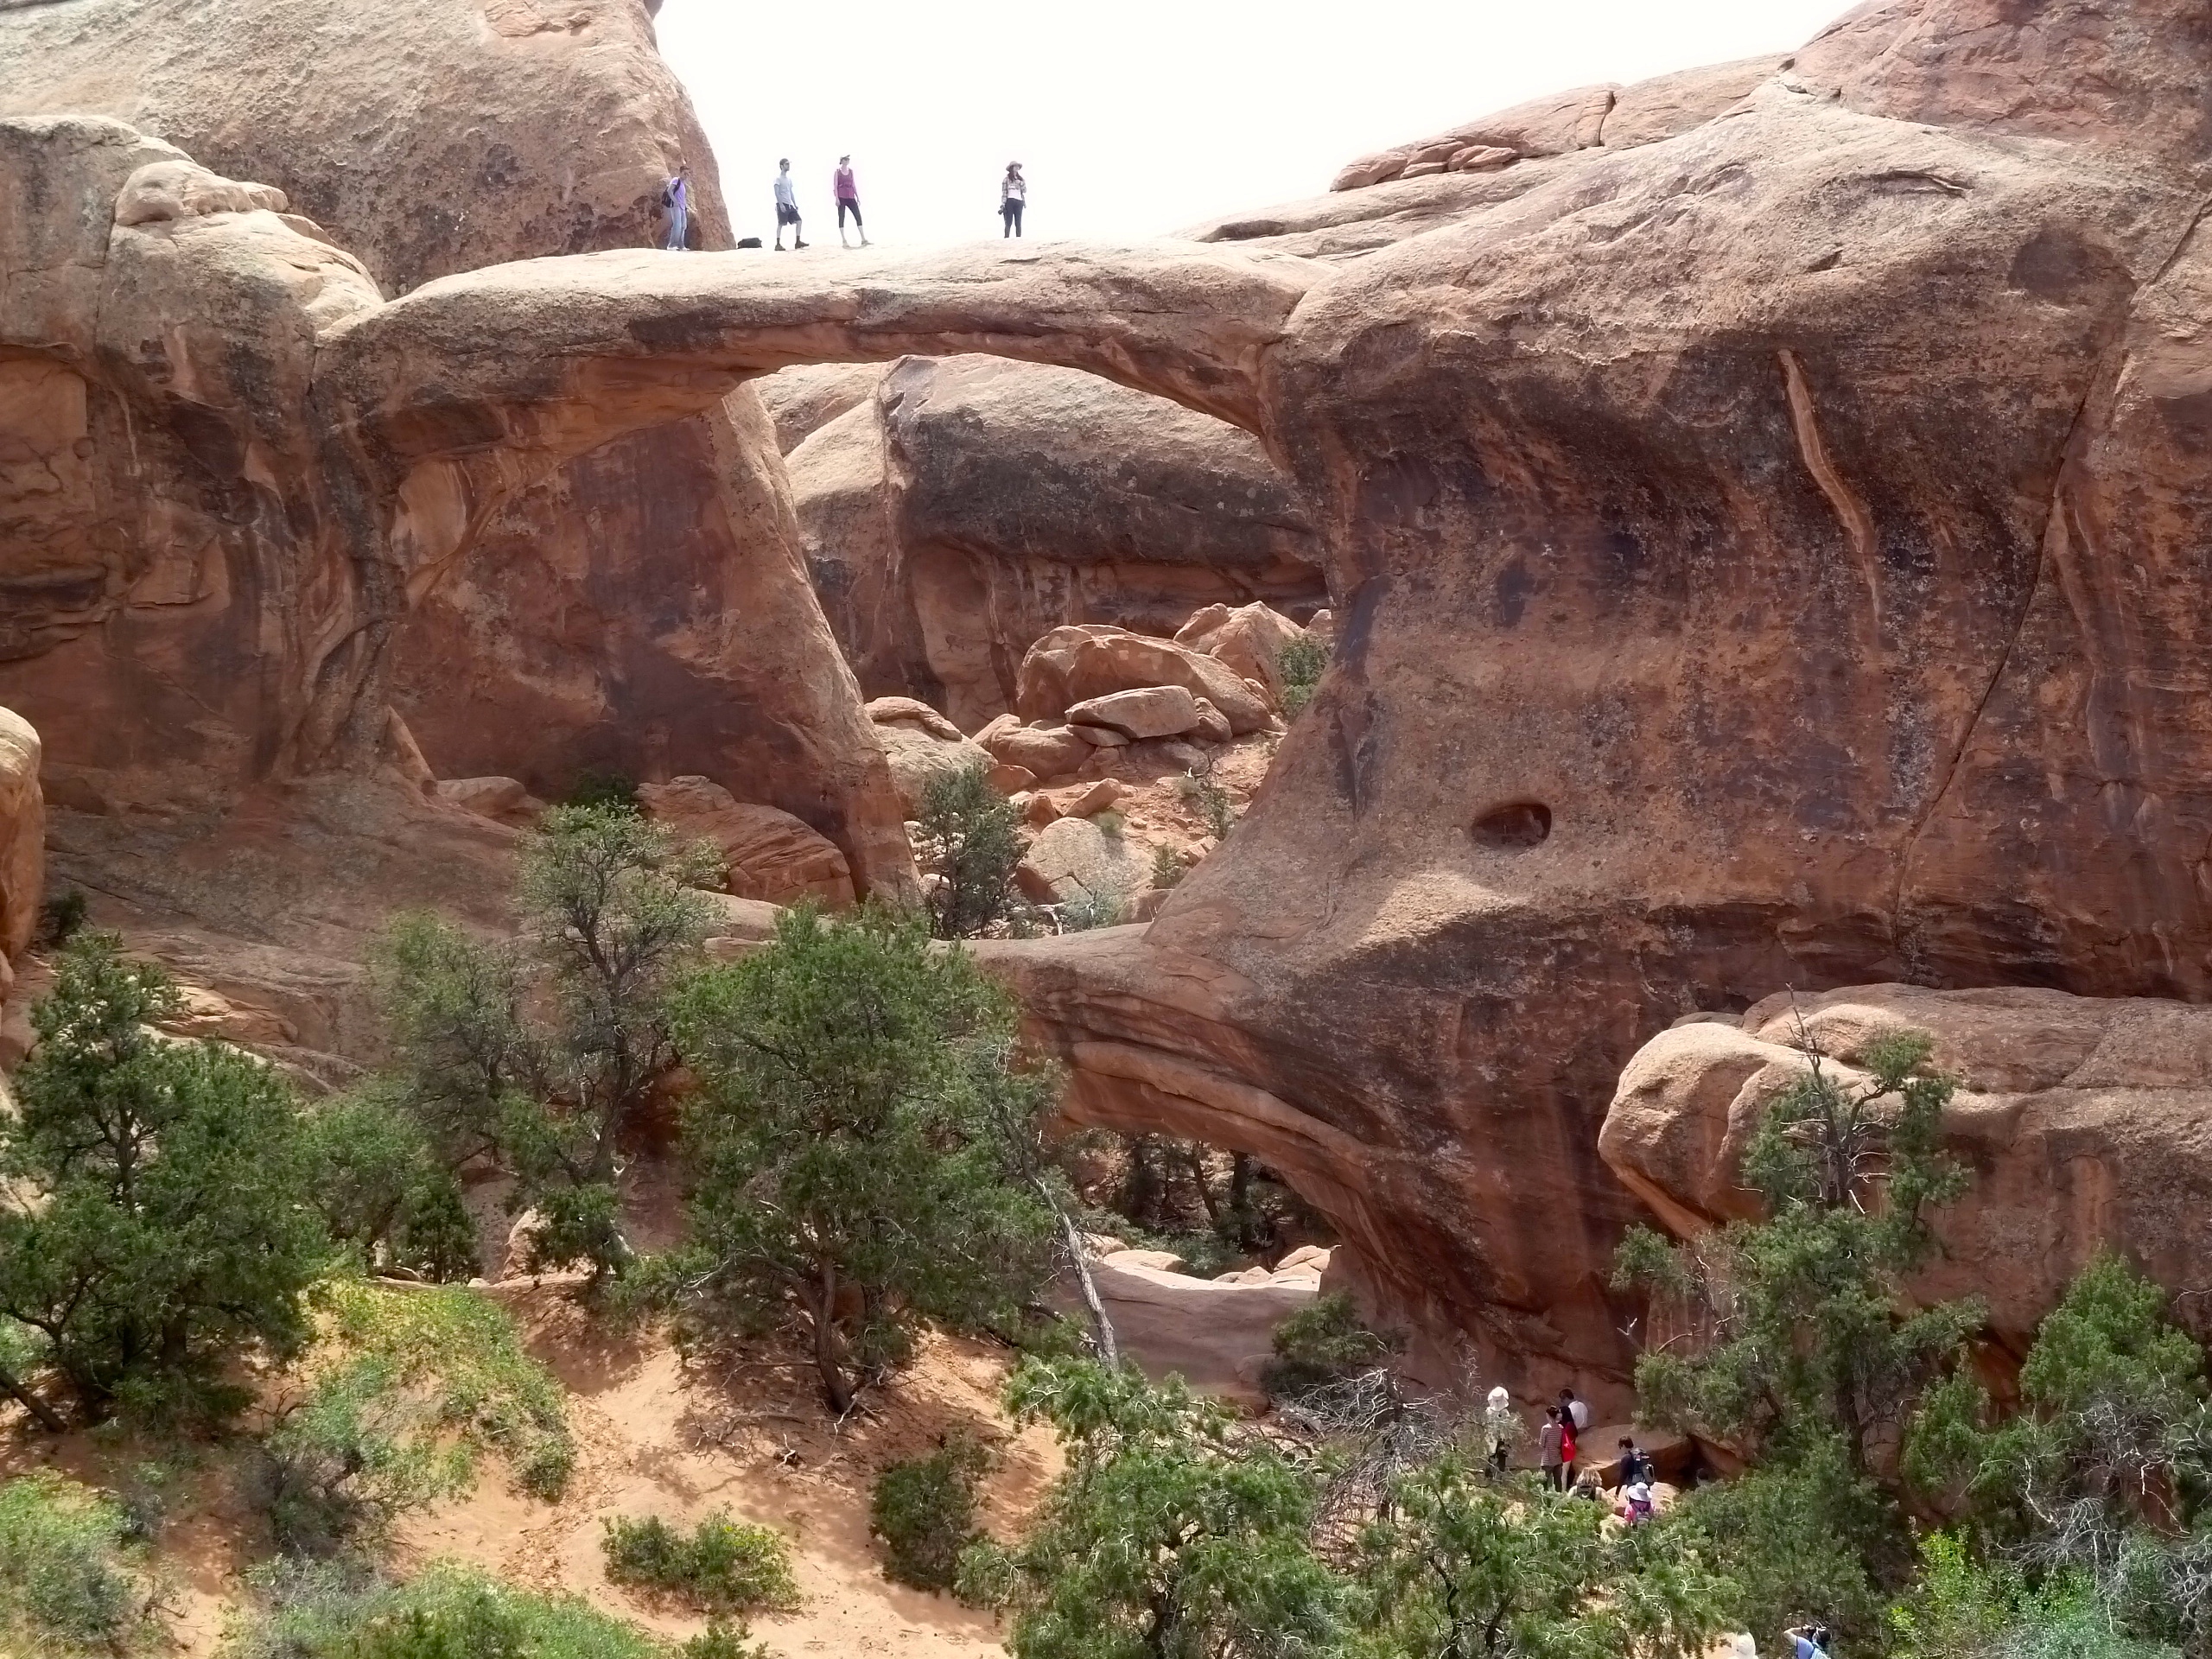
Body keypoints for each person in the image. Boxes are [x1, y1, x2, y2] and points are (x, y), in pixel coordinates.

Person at [833, 154, 867, 247]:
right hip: (841, 197)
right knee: (841, 217)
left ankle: (863, 238)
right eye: (846, 159)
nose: (848, 160)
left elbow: (853, 184)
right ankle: (844, 240)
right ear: (842, 160)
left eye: (848, 159)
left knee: (858, 216)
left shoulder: (851, 171)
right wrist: (836, 198)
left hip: (851, 196)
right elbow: (835, 186)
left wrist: (857, 196)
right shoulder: (837, 172)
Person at [773, 158, 806, 251]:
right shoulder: (777, 179)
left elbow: (790, 192)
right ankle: (778, 244)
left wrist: (795, 204)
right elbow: (776, 193)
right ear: (781, 166)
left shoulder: (789, 179)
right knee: (781, 224)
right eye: (786, 164)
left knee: (799, 221)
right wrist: (781, 205)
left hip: (789, 205)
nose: (788, 166)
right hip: (782, 204)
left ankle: (798, 242)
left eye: (788, 164)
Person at [1484, 1384, 1513, 1477]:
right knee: (1498, 1460)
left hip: (1493, 1438)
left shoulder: (1489, 1411)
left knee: (1492, 1458)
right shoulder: (1504, 1412)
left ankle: (1490, 1478)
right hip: (1497, 1439)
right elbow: (1508, 1428)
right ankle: (1496, 1478)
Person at [660, 162, 690, 251]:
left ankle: (681, 245)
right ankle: (672, 245)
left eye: (688, 174)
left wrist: (686, 207)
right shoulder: (676, 180)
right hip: (675, 206)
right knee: (677, 225)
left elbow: (683, 197)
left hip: (682, 207)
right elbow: (670, 191)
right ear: (680, 173)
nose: (686, 176)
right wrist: (675, 201)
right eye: (685, 173)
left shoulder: (683, 185)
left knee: (683, 226)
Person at [1538, 1406, 1566, 1491]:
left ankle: (1545, 1498)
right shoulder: (1560, 1427)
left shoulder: (1546, 1428)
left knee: (1543, 1482)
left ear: (1547, 1415)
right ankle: (1559, 1497)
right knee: (1558, 1482)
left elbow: (1542, 1444)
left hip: (1547, 1459)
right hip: (1558, 1458)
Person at [1000, 161, 1026, 238]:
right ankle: (1006, 238)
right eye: (1015, 166)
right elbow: (1004, 192)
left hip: (1019, 201)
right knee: (1008, 222)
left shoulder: (1021, 179)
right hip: (1010, 200)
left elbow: (1025, 190)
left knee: (1018, 222)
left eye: (1018, 166)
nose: (1017, 168)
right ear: (1012, 168)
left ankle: (1019, 238)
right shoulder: (1006, 179)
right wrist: (1003, 204)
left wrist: (1020, 183)